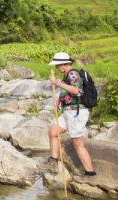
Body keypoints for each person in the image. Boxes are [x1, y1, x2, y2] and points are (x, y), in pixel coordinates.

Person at [39, 52, 97, 184]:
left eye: (57, 65)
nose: (56, 68)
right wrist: (59, 101)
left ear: (64, 64)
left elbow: (76, 91)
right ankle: (53, 162)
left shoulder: (73, 74)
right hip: (67, 112)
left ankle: (90, 173)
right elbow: (66, 92)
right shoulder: (66, 76)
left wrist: (58, 83)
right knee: (53, 131)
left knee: (78, 144)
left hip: (76, 113)